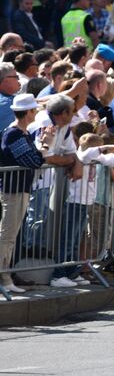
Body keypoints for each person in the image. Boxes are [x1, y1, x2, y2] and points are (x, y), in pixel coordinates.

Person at [0, 93, 45, 293]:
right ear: (27, 112)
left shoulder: (23, 134)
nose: (36, 113)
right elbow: (33, 161)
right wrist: (41, 151)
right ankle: (4, 279)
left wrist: (40, 150)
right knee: (7, 236)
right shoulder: (14, 134)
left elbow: (34, 159)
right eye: (34, 110)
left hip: (20, 189)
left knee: (10, 236)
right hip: (13, 190)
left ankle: (6, 277)